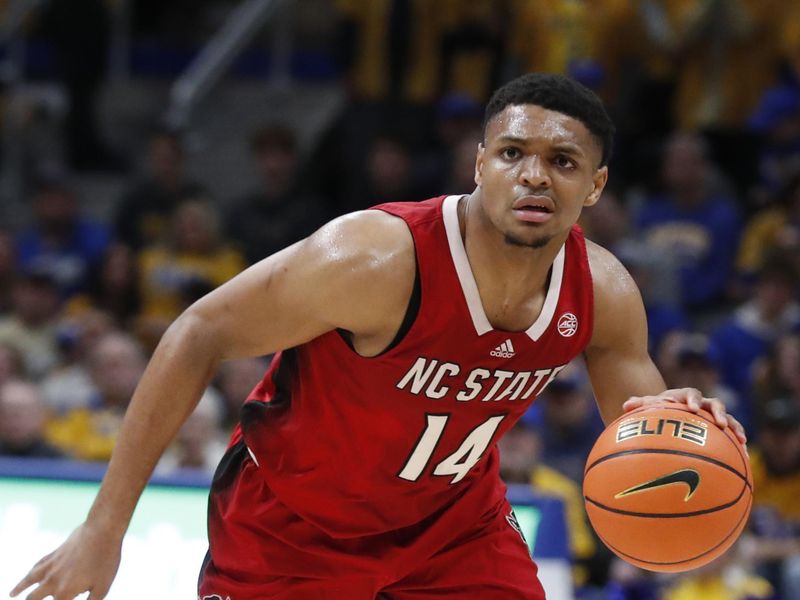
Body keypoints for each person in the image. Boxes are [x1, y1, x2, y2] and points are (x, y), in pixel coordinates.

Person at [11, 73, 746, 600]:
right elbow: (197, 330)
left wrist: (680, 423)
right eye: (513, 153)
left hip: (455, 530)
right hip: (291, 530)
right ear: (478, 163)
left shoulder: (604, 290)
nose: (534, 177)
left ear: (596, 186)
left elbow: (639, 419)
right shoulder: (373, 258)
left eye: (562, 162)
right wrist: (103, 530)